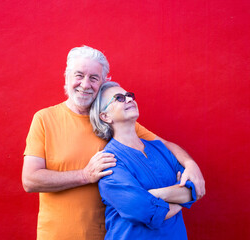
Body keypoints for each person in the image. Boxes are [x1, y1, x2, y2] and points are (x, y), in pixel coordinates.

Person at [22, 45, 205, 240]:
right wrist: (84, 175)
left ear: (102, 83)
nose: (85, 84)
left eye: (94, 78)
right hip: (59, 234)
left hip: (109, 233)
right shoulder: (45, 119)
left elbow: (165, 146)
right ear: (66, 77)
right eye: (79, 75)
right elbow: (30, 180)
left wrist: (190, 164)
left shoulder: (117, 123)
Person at [90, 81, 198, 239]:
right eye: (119, 98)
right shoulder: (109, 161)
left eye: (129, 95)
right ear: (105, 117)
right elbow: (143, 210)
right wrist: (180, 198)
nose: (129, 99)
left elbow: (192, 189)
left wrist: (155, 194)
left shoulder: (160, 148)